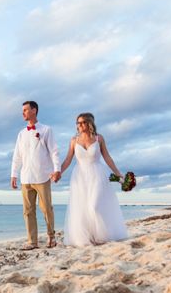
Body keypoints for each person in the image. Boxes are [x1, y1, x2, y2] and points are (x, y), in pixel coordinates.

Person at [60, 112, 128, 246]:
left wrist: (118, 174)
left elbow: (107, 157)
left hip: (97, 174)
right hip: (79, 177)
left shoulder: (99, 138)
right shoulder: (74, 140)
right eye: (77, 123)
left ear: (88, 123)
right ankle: (89, 237)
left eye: (81, 122)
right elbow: (68, 159)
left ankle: (101, 236)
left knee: (94, 206)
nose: (79, 125)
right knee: (82, 208)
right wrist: (58, 172)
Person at [11, 101, 61, 250]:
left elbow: (54, 151)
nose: (23, 113)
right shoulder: (21, 134)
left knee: (46, 209)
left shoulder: (46, 130)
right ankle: (32, 241)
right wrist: (13, 174)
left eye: (26, 110)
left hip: (43, 176)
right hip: (26, 177)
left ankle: (51, 237)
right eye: (23, 110)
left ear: (34, 110)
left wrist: (57, 169)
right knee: (28, 211)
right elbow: (17, 156)